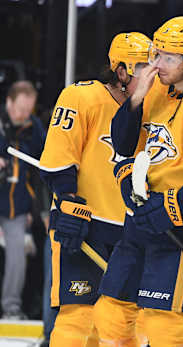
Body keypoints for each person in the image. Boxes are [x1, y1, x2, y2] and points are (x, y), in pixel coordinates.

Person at [93, 16, 183, 347]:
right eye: (156, 54)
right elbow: (123, 145)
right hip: (142, 220)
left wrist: (171, 207)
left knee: (162, 322)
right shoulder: (156, 90)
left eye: (168, 58)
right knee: (111, 311)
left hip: (182, 227)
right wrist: (136, 99)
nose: (157, 64)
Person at [38, 32, 151, 347]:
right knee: (78, 319)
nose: (149, 74)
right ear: (121, 70)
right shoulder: (82, 96)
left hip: (131, 232)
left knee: (123, 325)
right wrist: (68, 201)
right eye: (141, 66)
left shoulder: (153, 108)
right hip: (85, 224)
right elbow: (59, 155)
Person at [0, 80, 46, 319]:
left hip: (16, 206)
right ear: (8, 102)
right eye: (20, 110)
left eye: (28, 110)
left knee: (18, 256)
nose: (23, 115)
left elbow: (43, 168)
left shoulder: (34, 127)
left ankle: (11, 308)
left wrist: (33, 209)